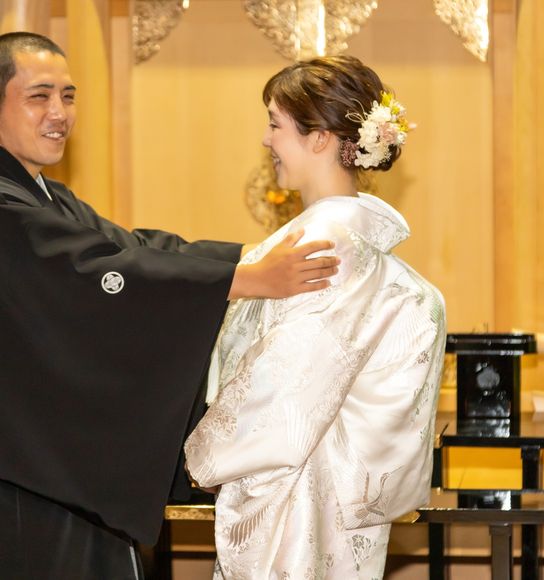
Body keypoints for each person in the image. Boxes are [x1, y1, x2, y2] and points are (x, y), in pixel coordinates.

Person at [0, 31, 340, 580]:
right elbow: (94, 272)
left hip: (58, 461)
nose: (59, 113)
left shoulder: (47, 196)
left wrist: (250, 256)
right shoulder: (6, 204)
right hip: (25, 470)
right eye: (39, 96)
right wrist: (242, 279)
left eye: (68, 95)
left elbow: (133, 248)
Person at [185, 55, 447, 579]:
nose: (266, 140)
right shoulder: (344, 237)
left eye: (275, 124)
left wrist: (206, 453)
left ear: (321, 138)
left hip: (296, 490)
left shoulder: (326, 243)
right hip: (318, 482)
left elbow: (288, 380)